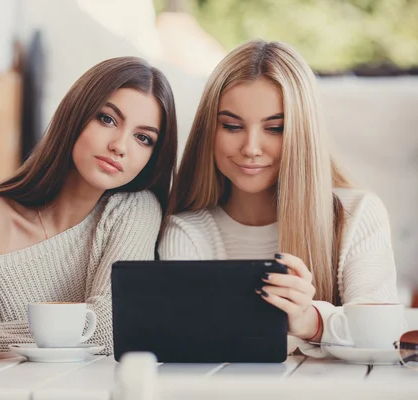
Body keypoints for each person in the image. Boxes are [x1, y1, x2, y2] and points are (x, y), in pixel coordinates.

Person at [158, 39, 398, 356]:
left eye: (275, 128)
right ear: (209, 131)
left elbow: (382, 336)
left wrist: (308, 319)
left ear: (302, 133)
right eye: (231, 126)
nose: (251, 147)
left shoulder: (357, 213)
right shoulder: (186, 232)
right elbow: (184, 337)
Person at [0, 56, 178, 354]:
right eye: (107, 119)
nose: (120, 146)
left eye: (143, 138)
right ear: (76, 115)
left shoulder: (134, 209)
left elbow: (111, 326)